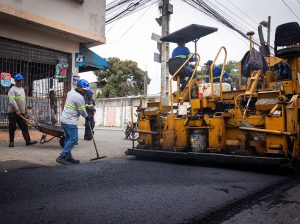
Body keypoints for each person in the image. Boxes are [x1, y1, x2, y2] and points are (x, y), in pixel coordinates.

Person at [56, 79, 90, 165]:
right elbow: (82, 110)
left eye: (86, 90)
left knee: (68, 139)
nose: (85, 92)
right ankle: (62, 156)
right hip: (70, 121)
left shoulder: (70, 92)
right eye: (84, 90)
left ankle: (68, 157)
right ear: (79, 88)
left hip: (64, 120)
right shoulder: (79, 97)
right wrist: (87, 117)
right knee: (74, 139)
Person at [7, 73, 37, 147]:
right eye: (18, 81)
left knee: (24, 126)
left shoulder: (22, 89)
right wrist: (17, 109)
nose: (19, 82)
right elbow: (12, 101)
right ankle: (11, 142)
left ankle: (28, 141)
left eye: (20, 80)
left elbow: (23, 100)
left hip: (21, 112)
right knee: (12, 127)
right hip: (13, 112)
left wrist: (25, 109)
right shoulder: (12, 89)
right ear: (15, 81)